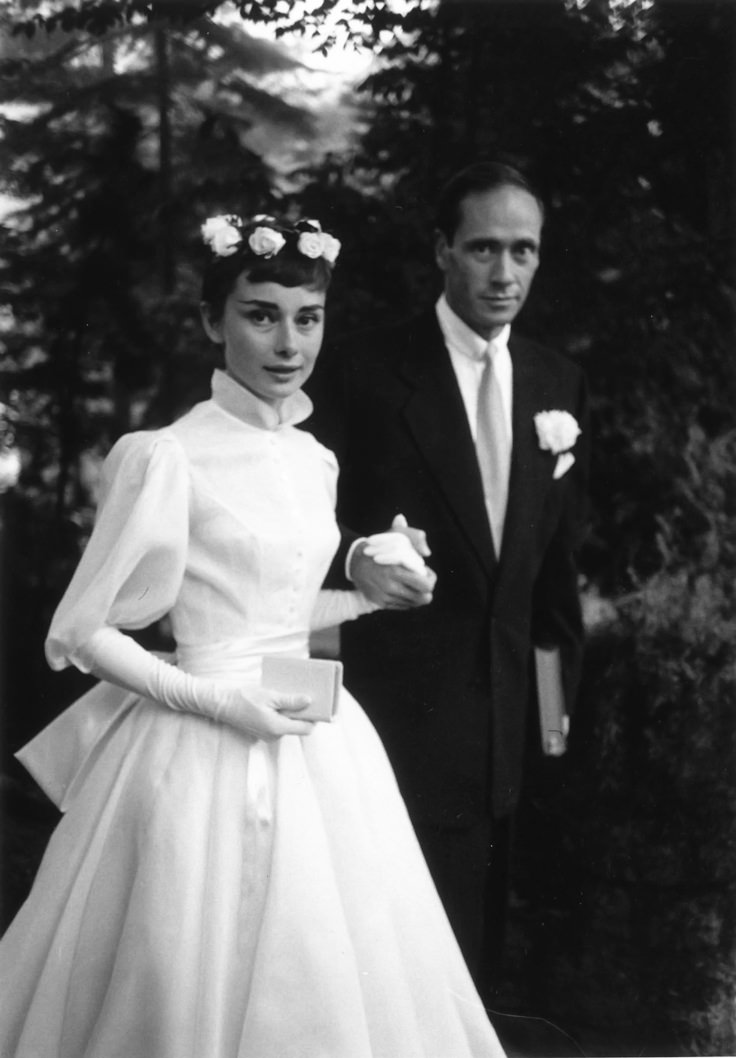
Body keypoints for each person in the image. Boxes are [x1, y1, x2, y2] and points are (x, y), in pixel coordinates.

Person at [0, 214, 506, 1058]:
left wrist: (371, 597)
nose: (287, 342)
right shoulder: (165, 455)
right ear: (212, 321)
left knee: (329, 965)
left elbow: (278, 606)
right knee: (181, 962)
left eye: (306, 318)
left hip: (316, 740)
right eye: (259, 314)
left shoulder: (315, 460)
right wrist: (212, 699)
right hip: (196, 743)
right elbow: (84, 632)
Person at [307, 161, 590, 993]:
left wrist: (551, 731)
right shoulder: (364, 372)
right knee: (391, 981)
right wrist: (363, 553)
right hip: (394, 727)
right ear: (442, 249)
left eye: (524, 251)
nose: (505, 274)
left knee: (479, 982)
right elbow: (295, 530)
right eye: (483, 249)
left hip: (512, 741)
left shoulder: (556, 383)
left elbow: (551, 592)